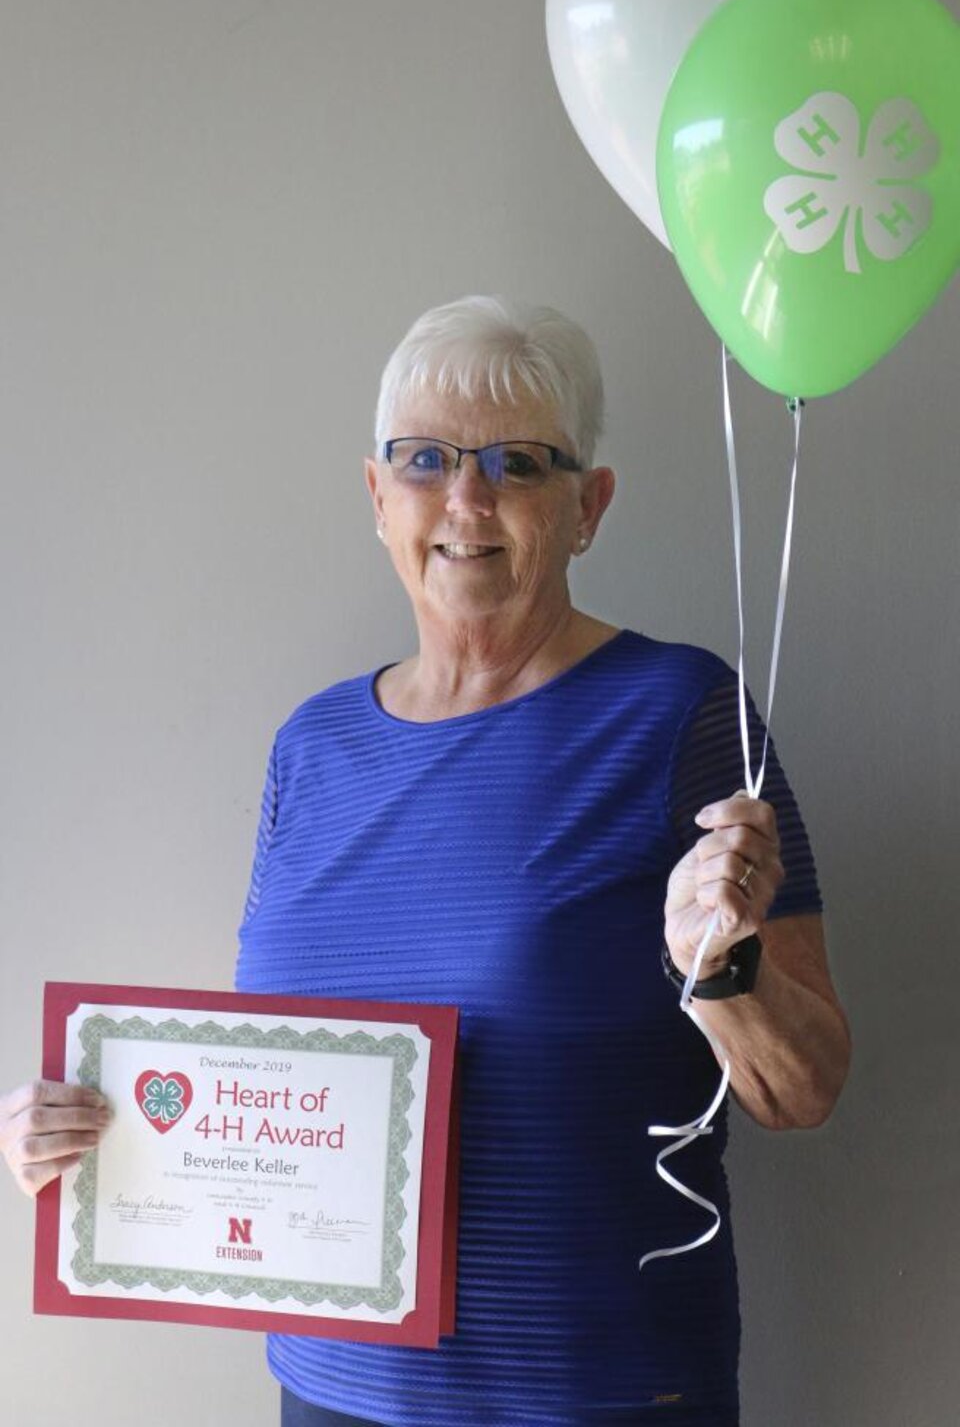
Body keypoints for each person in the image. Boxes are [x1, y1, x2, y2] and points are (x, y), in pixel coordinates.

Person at [1, 296, 850, 1426]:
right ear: (376, 494)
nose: (466, 498)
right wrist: (98, 1139)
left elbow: (807, 1088)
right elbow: (269, 1074)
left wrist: (723, 971)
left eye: (519, 462)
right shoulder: (312, 746)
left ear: (589, 505)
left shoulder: (680, 712)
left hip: (597, 1394)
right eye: (425, 459)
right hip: (333, 1390)